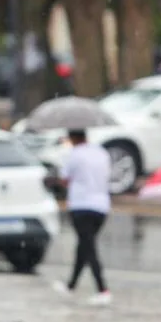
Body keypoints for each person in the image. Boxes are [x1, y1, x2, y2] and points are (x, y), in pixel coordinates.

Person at [52, 128, 112, 305]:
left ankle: (103, 289)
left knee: (88, 247)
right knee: (84, 246)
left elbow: (64, 179)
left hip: (81, 204)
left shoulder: (74, 154)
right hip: (101, 205)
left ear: (72, 138)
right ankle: (71, 285)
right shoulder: (101, 153)